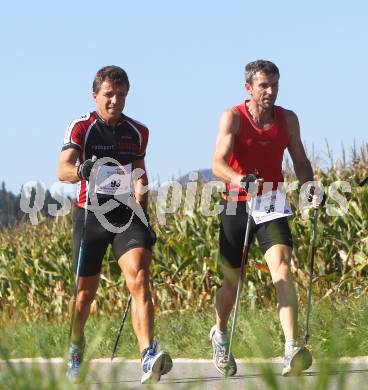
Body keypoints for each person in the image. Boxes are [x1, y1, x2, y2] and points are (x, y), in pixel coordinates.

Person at [58, 65, 172, 384]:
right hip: (90, 214)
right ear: (95, 95)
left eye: (121, 95)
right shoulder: (82, 128)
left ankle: (148, 354)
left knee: (139, 277)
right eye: (108, 94)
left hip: (125, 213)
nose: (114, 101)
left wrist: (144, 214)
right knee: (84, 294)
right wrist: (82, 170)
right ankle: (76, 347)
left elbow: (140, 175)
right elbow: (62, 169)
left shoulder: (137, 131)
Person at [210, 60, 324, 376]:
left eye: (274, 85)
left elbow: (300, 161)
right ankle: (220, 334)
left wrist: (310, 187)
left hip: (271, 200)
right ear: (249, 88)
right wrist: (239, 178)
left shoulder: (287, 120)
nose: (270, 92)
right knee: (233, 283)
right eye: (264, 86)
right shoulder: (233, 117)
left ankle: (291, 349)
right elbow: (217, 163)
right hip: (236, 201)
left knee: (282, 268)